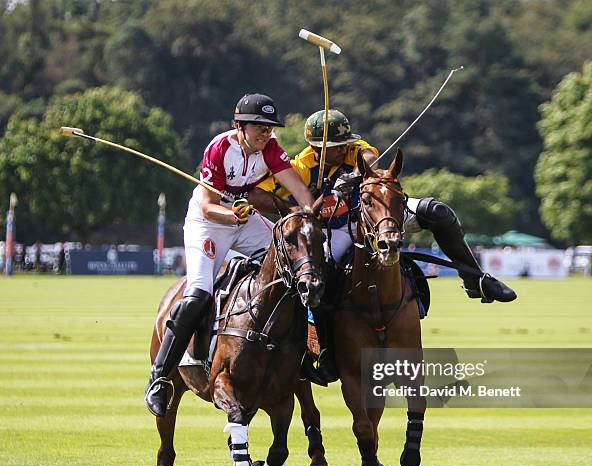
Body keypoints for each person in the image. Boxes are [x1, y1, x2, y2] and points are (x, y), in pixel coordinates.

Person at [257, 109, 517, 384]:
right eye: (335, 148)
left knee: (438, 212)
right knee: (323, 277)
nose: (342, 150)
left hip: (379, 213)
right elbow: (258, 192)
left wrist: (354, 176)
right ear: (315, 148)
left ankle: (476, 280)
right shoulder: (300, 167)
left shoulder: (353, 149)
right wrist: (298, 208)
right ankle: (322, 351)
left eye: (344, 144)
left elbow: (369, 157)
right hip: (336, 227)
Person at [145, 93, 315, 417]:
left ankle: (305, 354)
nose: (266, 133)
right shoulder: (220, 148)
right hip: (209, 224)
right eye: (259, 127)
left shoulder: (271, 148)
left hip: (244, 218)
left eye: (269, 128)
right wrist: (232, 216)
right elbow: (209, 206)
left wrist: (310, 210)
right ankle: (159, 377)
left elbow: (297, 187)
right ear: (240, 126)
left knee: (289, 263)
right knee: (197, 294)